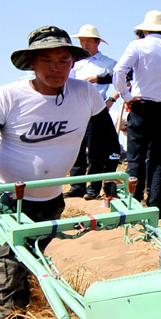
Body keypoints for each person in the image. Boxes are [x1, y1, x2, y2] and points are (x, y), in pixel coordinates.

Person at [0, 27, 105, 319]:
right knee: (12, 265)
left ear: (72, 62)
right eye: (47, 60)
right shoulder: (7, 96)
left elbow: (106, 140)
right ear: (31, 63)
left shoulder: (86, 94)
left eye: (63, 59)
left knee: (25, 264)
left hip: (50, 198)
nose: (56, 66)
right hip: (3, 198)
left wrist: (109, 183)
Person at [112, 10, 161, 210]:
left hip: (141, 104)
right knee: (160, 158)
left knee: (136, 155)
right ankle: (154, 203)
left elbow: (119, 71)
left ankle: (132, 202)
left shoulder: (137, 45)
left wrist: (126, 96)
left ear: (145, 29)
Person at [66, 25, 121, 199]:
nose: (84, 44)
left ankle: (93, 187)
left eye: (88, 41)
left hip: (95, 109)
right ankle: (77, 185)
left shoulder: (108, 63)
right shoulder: (75, 63)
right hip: (75, 108)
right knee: (76, 147)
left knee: (95, 150)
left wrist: (111, 98)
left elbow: (125, 79)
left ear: (97, 42)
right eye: (82, 41)